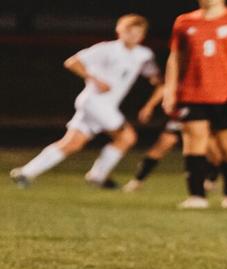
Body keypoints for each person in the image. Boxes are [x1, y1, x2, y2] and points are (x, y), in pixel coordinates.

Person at [10, 15, 158, 191]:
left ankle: (25, 172)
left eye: (137, 33)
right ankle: (97, 176)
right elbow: (72, 62)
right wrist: (94, 79)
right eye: (129, 31)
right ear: (119, 30)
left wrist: (158, 88)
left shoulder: (144, 54)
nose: (133, 36)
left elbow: (154, 75)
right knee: (127, 137)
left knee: (72, 143)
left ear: (143, 35)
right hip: (95, 102)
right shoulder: (106, 49)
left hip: (106, 105)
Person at [161, 0, 227, 210]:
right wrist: (169, 89)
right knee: (194, 141)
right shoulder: (184, 21)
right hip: (191, 93)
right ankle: (197, 196)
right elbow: (176, 57)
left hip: (226, 95)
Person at [123, 81, 225, 192]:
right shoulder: (181, 73)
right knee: (164, 143)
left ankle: (211, 180)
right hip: (183, 112)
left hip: (202, 112)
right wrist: (149, 106)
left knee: (214, 152)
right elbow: (165, 85)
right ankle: (137, 180)